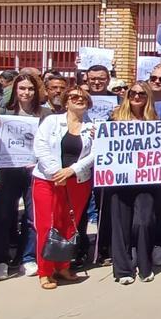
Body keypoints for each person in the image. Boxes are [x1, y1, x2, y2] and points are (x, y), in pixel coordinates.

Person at [31, 87, 96, 290]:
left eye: (83, 98)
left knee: (70, 225)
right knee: (47, 225)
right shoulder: (51, 121)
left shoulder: (92, 127)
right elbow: (40, 146)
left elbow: (94, 154)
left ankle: (63, 266)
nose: (79, 100)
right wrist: (56, 172)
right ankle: (45, 270)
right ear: (66, 102)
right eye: (74, 97)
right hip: (48, 180)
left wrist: (72, 170)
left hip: (77, 181)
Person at [0, 73, 49, 281]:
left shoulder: (46, 114)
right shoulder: (2, 112)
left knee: (32, 217)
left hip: (33, 171)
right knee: (4, 216)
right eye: (22, 88)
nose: (26, 92)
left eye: (30, 89)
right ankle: (1, 260)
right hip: (7, 171)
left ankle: (27, 257)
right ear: (15, 90)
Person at [107, 82, 161, 284]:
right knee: (120, 225)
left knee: (144, 222)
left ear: (148, 97)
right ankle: (123, 270)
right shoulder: (114, 119)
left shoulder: (155, 120)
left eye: (142, 94)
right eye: (133, 93)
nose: (137, 96)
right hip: (119, 180)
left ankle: (144, 264)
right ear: (127, 95)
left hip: (146, 180)